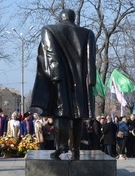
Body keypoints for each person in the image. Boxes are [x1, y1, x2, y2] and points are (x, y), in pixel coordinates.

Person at [30, 9, 96, 160]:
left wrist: (55, 77)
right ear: (74, 18)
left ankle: (61, 148)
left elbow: (50, 53)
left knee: (61, 114)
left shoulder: (49, 30)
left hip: (59, 78)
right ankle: (76, 148)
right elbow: (91, 59)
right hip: (80, 81)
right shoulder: (88, 33)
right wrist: (91, 81)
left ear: (61, 18)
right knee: (78, 116)